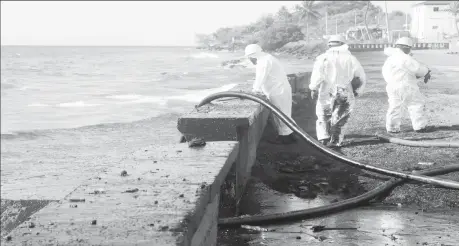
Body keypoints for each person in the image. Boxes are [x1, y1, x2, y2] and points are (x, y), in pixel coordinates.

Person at [309, 35, 367, 147]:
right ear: (343, 44)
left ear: (329, 45)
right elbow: (360, 76)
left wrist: (313, 88)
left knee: (323, 114)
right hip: (345, 89)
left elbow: (317, 75)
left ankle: (323, 139)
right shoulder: (351, 58)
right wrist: (358, 90)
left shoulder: (323, 57)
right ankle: (335, 141)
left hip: (326, 90)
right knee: (341, 116)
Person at [244, 43, 297, 145]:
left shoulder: (263, 62)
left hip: (277, 91)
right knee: (285, 113)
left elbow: (260, 78)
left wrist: (254, 90)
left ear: (252, 56)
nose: (250, 61)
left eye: (249, 58)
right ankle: (291, 136)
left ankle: (284, 138)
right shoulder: (268, 58)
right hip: (282, 89)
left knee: (279, 115)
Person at [382, 37, 434, 134]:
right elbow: (418, 69)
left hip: (392, 86)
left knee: (394, 106)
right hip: (406, 85)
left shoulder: (390, 59)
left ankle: (392, 128)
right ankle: (420, 127)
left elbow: (386, 73)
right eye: (409, 48)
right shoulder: (405, 58)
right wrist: (426, 71)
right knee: (415, 104)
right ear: (406, 47)